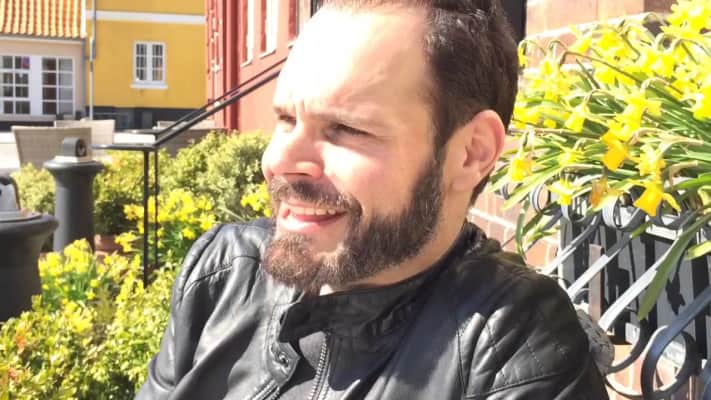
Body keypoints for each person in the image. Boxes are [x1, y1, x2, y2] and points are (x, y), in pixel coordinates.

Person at [137, 1, 609, 399]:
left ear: (471, 153)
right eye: (285, 120)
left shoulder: (515, 352)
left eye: (346, 129)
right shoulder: (225, 273)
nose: (278, 161)